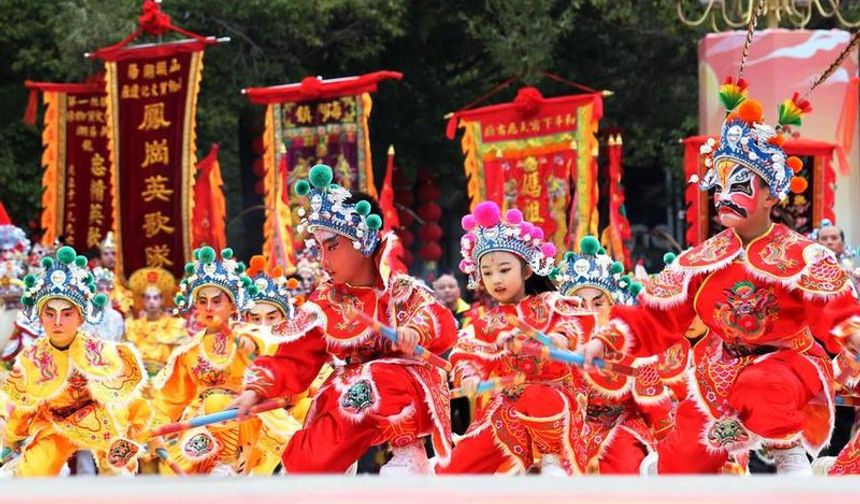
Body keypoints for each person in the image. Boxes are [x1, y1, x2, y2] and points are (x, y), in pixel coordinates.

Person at [581, 91, 860, 474]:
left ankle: (791, 459)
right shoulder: (700, 261)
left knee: (763, 382)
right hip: (718, 370)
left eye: (741, 186)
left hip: (789, 367)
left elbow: (837, 310)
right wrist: (605, 339)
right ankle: (665, 468)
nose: (725, 197)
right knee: (681, 466)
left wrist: (854, 337)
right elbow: (655, 316)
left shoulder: (802, 256)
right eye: (721, 186)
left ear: (770, 195)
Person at [231, 164, 458, 475]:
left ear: (363, 240)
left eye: (333, 246)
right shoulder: (326, 302)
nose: (324, 260)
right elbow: (294, 358)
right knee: (306, 461)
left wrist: (415, 332)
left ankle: (409, 454)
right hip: (352, 393)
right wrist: (255, 391)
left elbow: (441, 324)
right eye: (321, 248)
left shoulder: (398, 288)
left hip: (405, 386)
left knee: (376, 375)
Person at [436, 202, 594, 476]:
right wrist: (470, 376)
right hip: (506, 408)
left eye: (504, 269)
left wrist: (560, 338)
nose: (495, 279)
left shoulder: (552, 303)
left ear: (526, 270)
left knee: (538, 396)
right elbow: (468, 353)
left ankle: (552, 460)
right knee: (454, 469)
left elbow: (578, 320)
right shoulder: (487, 320)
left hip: (553, 403)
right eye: (487, 273)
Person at [1, 246, 149, 477]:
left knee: (118, 471)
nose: (58, 321)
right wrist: (11, 440)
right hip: (53, 423)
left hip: (100, 418)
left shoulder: (97, 350)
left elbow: (124, 395)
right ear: (41, 316)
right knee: (30, 473)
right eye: (50, 313)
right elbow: (23, 406)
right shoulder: (32, 358)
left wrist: (141, 423)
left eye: (67, 314)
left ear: (80, 317)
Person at [150, 246, 295, 476]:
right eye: (202, 301)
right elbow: (169, 399)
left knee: (218, 401)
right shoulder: (188, 351)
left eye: (217, 301)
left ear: (232, 305)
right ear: (194, 306)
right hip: (203, 421)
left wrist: (251, 345)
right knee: (175, 469)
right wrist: (150, 423)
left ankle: (228, 463)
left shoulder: (247, 334)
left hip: (248, 416)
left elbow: (269, 344)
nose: (209, 307)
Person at [555, 237, 688, 474]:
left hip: (620, 425)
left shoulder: (626, 340)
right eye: (580, 304)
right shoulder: (560, 341)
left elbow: (653, 401)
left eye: (598, 303)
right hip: (571, 428)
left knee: (624, 459)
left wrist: (671, 448)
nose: (589, 311)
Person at [125, 267, 187, 378]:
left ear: (162, 300)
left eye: (156, 297)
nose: (152, 302)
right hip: (140, 377)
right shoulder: (133, 326)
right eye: (148, 298)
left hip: (167, 376)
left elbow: (182, 357)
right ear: (143, 300)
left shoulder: (174, 325)